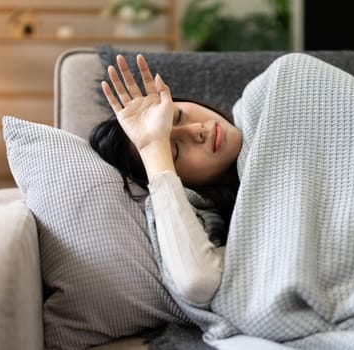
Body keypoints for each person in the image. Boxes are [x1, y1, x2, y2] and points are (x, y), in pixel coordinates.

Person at [89, 54, 243, 304]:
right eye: (174, 151)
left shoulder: (264, 98)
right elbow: (197, 282)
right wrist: (152, 146)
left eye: (179, 116)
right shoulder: (214, 215)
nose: (197, 131)